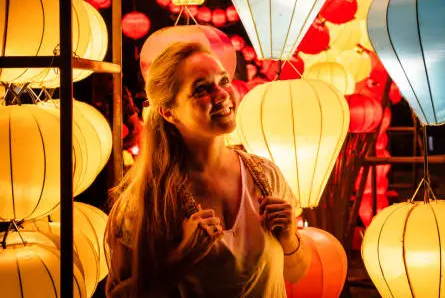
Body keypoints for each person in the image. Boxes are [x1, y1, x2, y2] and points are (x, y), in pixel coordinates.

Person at [105, 42, 311, 297]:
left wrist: (290, 238)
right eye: (202, 88)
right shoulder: (148, 200)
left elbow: (296, 273)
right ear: (169, 113)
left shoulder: (265, 176)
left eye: (224, 80)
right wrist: (179, 260)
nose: (222, 94)